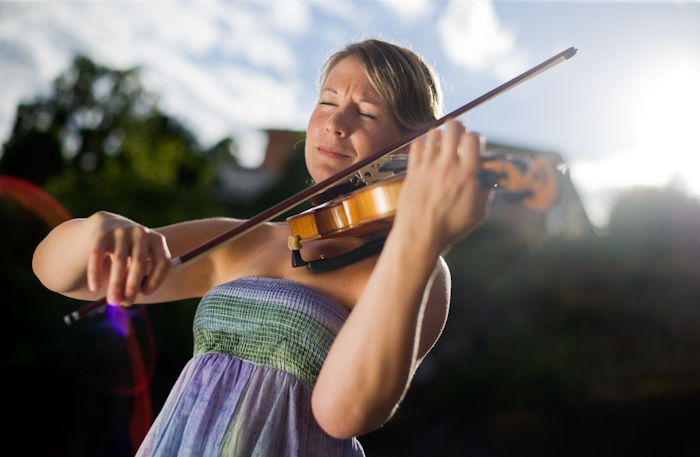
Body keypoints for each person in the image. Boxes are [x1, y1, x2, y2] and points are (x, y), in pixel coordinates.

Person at [33, 39, 490, 456]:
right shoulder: (247, 238)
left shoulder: (414, 266)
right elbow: (57, 274)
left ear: (413, 148)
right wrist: (99, 230)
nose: (335, 123)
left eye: (367, 113)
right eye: (327, 101)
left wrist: (419, 239)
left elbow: (343, 414)